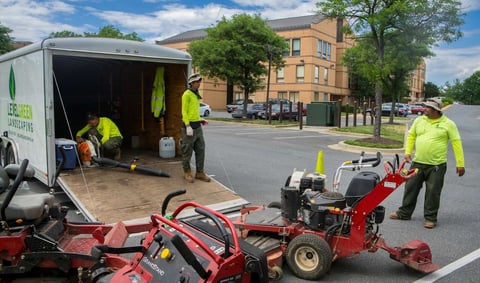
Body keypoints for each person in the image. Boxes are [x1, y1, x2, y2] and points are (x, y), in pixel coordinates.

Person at [389, 98, 465, 229]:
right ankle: (404, 213)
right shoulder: (419, 120)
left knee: (433, 192)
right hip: (417, 163)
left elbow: (456, 143)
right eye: (424, 106)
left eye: (427, 107)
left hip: (437, 165)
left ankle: (430, 218)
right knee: (410, 188)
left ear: (435, 110)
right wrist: (407, 152)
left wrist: (460, 164)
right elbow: (411, 135)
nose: (424, 109)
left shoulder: (448, 124)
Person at [181, 73, 210, 183]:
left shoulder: (196, 94)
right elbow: (184, 111)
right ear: (191, 83)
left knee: (200, 149)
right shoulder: (186, 94)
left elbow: (194, 111)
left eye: (199, 82)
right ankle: (187, 172)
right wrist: (188, 125)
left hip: (197, 127)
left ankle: (200, 172)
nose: (199, 84)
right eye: (197, 82)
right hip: (189, 128)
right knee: (187, 151)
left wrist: (200, 119)